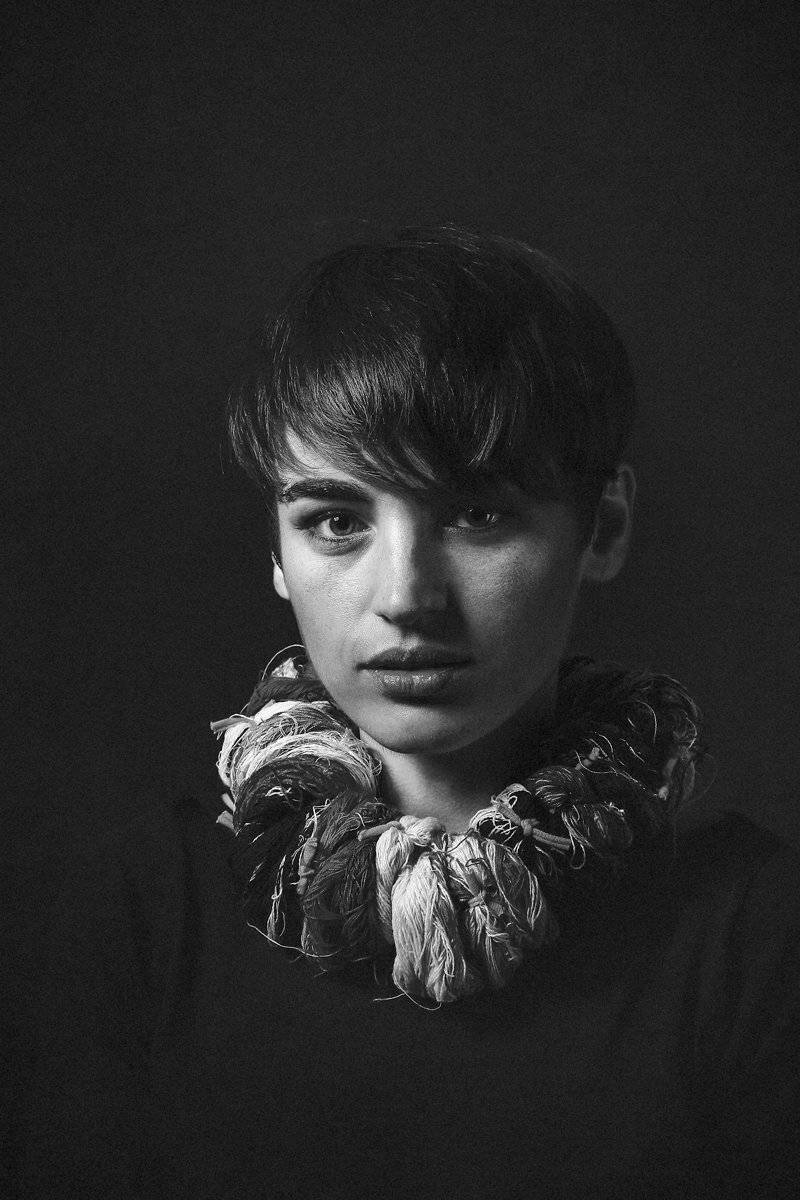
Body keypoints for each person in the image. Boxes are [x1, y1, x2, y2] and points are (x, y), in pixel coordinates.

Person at [18, 226, 799, 1198]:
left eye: (477, 514)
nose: (405, 597)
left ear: (601, 529)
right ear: (277, 551)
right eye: (336, 521)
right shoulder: (145, 910)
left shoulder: (756, 936)